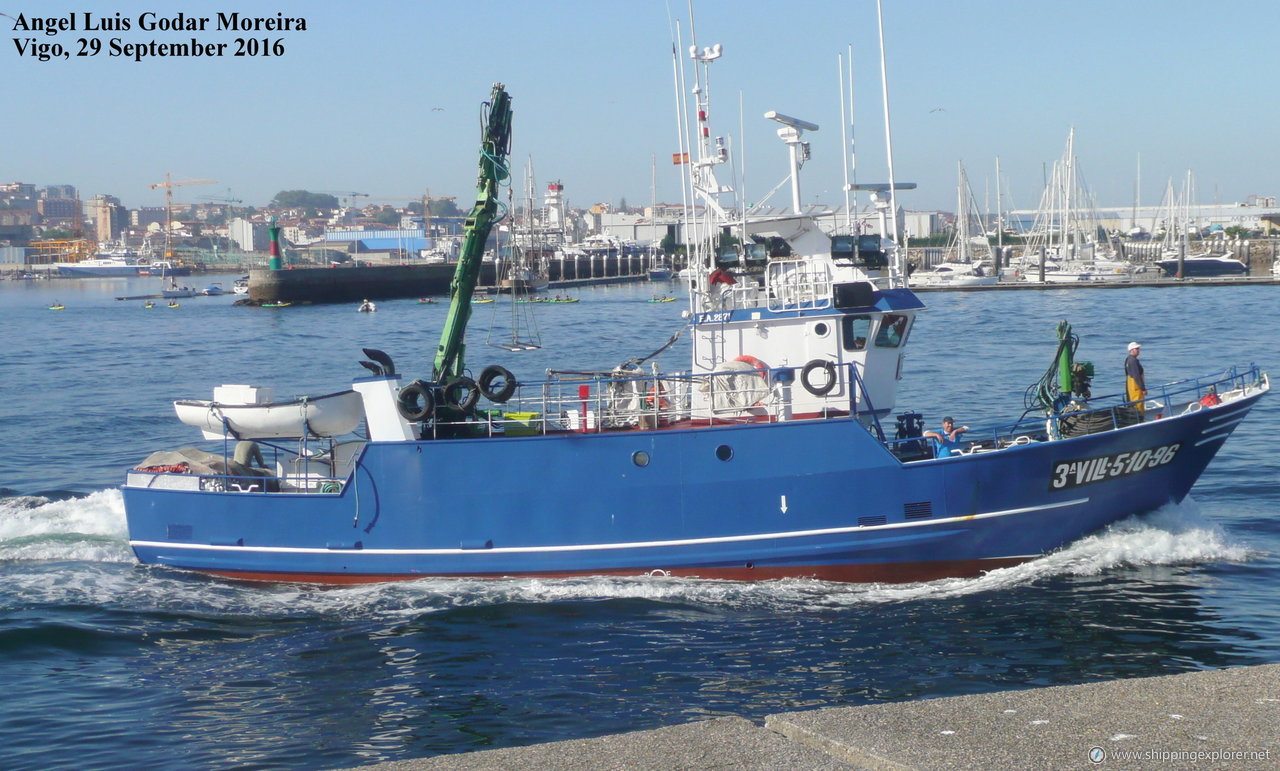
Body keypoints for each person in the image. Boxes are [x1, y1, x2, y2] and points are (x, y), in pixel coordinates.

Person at [1125, 341, 1146, 414]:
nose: (1138, 350)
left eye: (1138, 349)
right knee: (1138, 404)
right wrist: (1143, 388)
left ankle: (1138, 416)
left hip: (1133, 387)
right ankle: (1139, 418)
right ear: (1131, 350)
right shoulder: (1133, 361)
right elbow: (1136, 376)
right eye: (1137, 349)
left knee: (1136, 403)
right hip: (1136, 388)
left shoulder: (1129, 359)